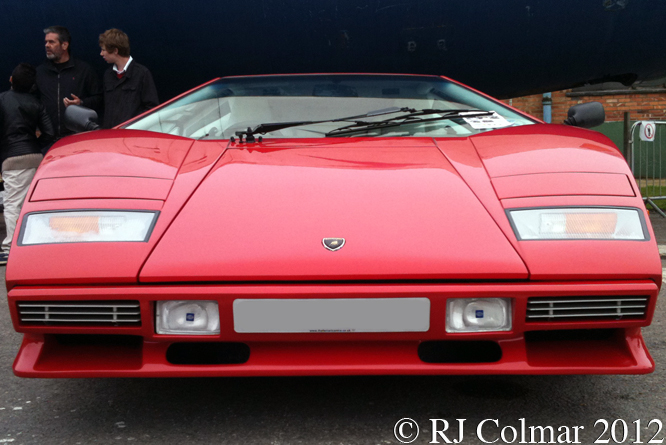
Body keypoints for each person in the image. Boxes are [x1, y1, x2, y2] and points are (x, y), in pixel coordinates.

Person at [0, 63, 55, 265]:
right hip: (35, 156)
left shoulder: (2, 99)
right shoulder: (37, 103)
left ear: (11, 80)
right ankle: (33, 242)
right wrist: (33, 145)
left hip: (12, 158)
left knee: (13, 203)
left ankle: (10, 248)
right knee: (31, 203)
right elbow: (49, 132)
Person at [36, 26, 102, 139]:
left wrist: (81, 103)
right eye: (46, 42)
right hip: (47, 139)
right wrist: (36, 128)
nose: (47, 45)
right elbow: (32, 102)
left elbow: (99, 98)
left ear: (65, 45)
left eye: (51, 42)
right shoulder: (40, 72)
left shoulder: (83, 70)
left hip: (76, 137)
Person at [99, 28, 158, 128]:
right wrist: (82, 102)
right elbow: (103, 104)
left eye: (104, 50)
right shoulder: (108, 74)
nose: (101, 53)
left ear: (115, 51)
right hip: (110, 136)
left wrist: (133, 126)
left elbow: (152, 108)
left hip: (132, 136)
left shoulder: (142, 73)